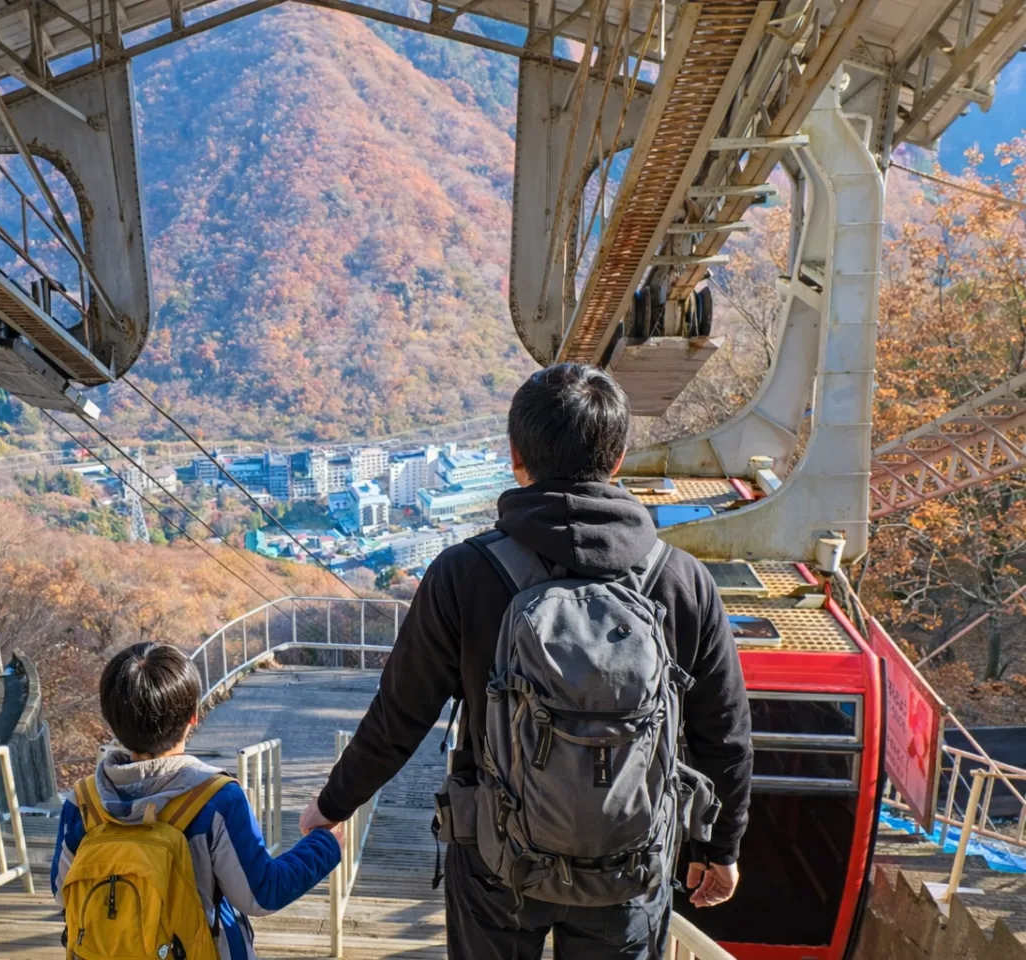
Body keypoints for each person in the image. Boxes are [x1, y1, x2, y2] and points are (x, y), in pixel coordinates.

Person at [299, 364, 753, 960]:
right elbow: (724, 732)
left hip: (497, 857)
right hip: (629, 862)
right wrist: (720, 847)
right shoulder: (681, 581)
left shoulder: (465, 574)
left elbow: (399, 718)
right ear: (618, 459)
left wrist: (332, 805)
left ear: (516, 456)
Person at [52, 642, 342, 960]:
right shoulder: (217, 799)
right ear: (193, 715)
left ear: (111, 722)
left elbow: (62, 891)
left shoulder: (83, 802)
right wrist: (324, 845)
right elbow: (262, 893)